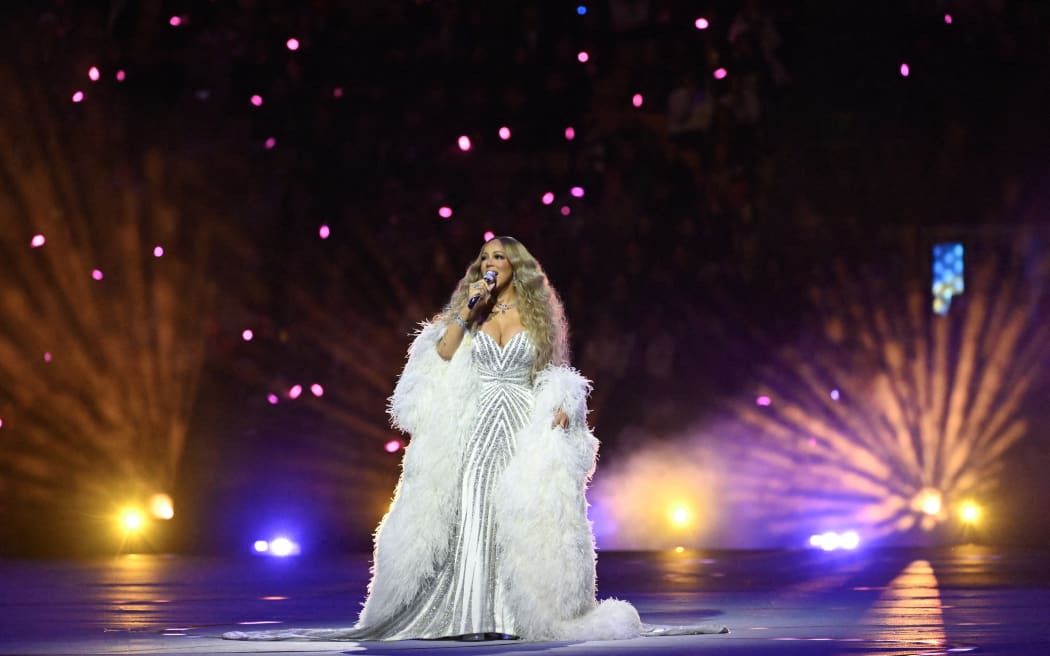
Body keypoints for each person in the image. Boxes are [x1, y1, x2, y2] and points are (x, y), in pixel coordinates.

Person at [224, 237, 726, 642]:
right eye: (483, 257)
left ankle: (510, 612)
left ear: (518, 267)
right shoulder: (473, 311)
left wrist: (560, 404)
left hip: (521, 425)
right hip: (477, 422)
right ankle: (464, 614)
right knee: (470, 503)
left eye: (498, 257)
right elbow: (439, 356)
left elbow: (553, 372)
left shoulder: (538, 318)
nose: (489, 262)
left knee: (515, 513)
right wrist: (467, 310)